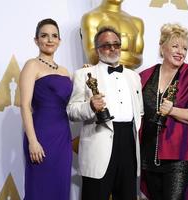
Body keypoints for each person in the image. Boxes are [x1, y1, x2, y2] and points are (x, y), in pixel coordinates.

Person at [67, 26, 143, 200]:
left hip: (129, 144)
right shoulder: (83, 74)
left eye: (116, 44)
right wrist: (90, 107)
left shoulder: (134, 77)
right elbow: (71, 111)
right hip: (98, 145)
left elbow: (139, 112)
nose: (112, 48)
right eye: (107, 45)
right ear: (97, 49)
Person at [139, 23, 188, 200]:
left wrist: (172, 110)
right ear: (162, 48)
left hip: (179, 158)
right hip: (147, 155)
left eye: (184, 48)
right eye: (175, 46)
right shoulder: (145, 75)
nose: (180, 52)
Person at [19, 18, 72, 200]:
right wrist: (33, 141)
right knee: (40, 188)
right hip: (41, 134)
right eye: (44, 35)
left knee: (60, 186)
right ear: (36, 40)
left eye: (54, 36)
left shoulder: (65, 71)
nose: (50, 40)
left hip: (63, 137)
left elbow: (73, 103)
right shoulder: (31, 65)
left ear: (59, 41)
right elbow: (25, 106)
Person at [81, 0, 144, 69]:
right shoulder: (91, 17)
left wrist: (109, 55)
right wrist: (128, 56)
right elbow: (93, 57)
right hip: (101, 76)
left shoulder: (136, 22)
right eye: (107, 45)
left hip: (130, 77)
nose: (113, 49)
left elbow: (139, 59)